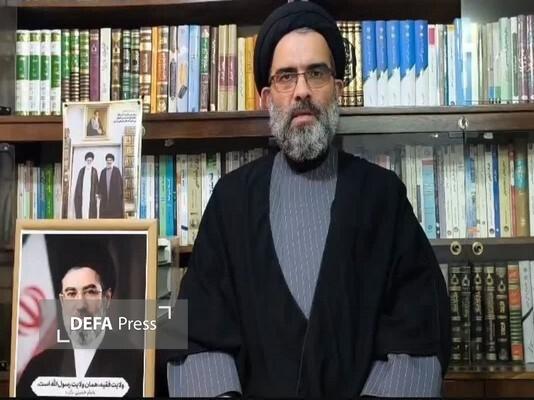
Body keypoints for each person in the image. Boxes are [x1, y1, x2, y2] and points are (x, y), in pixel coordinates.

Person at [162, 2, 450, 397]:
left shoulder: (383, 197)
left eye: (316, 73)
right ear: (267, 98)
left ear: (338, 90)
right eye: (286, 77)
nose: (302, 90)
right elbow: (197, 334)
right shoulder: (230, 202)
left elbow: (418, 333)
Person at [16, 242, 144, 397]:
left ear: (106, 298)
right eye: (71, 293)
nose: (80, 305)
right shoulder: (39, 369)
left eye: (90, 292)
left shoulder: (135, 365)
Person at [98, 153, 124, 218]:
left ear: (113, 161)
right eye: (108, 160)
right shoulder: (103, 171)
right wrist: (99, 194)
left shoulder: (116, 171)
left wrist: (119, 198)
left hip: (115, 201)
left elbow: (120, 185)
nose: (109, 161)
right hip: (105, 201)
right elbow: (100, 185)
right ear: (106, 161)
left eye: (110, 160)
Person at [73, 152, 98, 219]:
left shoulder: (94, 171)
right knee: (82, 209)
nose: (89, 162)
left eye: (90, 160)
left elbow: (96, 184)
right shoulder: (82, 170)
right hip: (83, 193)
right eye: (88, 160)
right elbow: (78, 184)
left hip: (91, 194)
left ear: (92, 161)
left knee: (90, 210)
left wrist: (96, 193)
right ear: (85, 160)